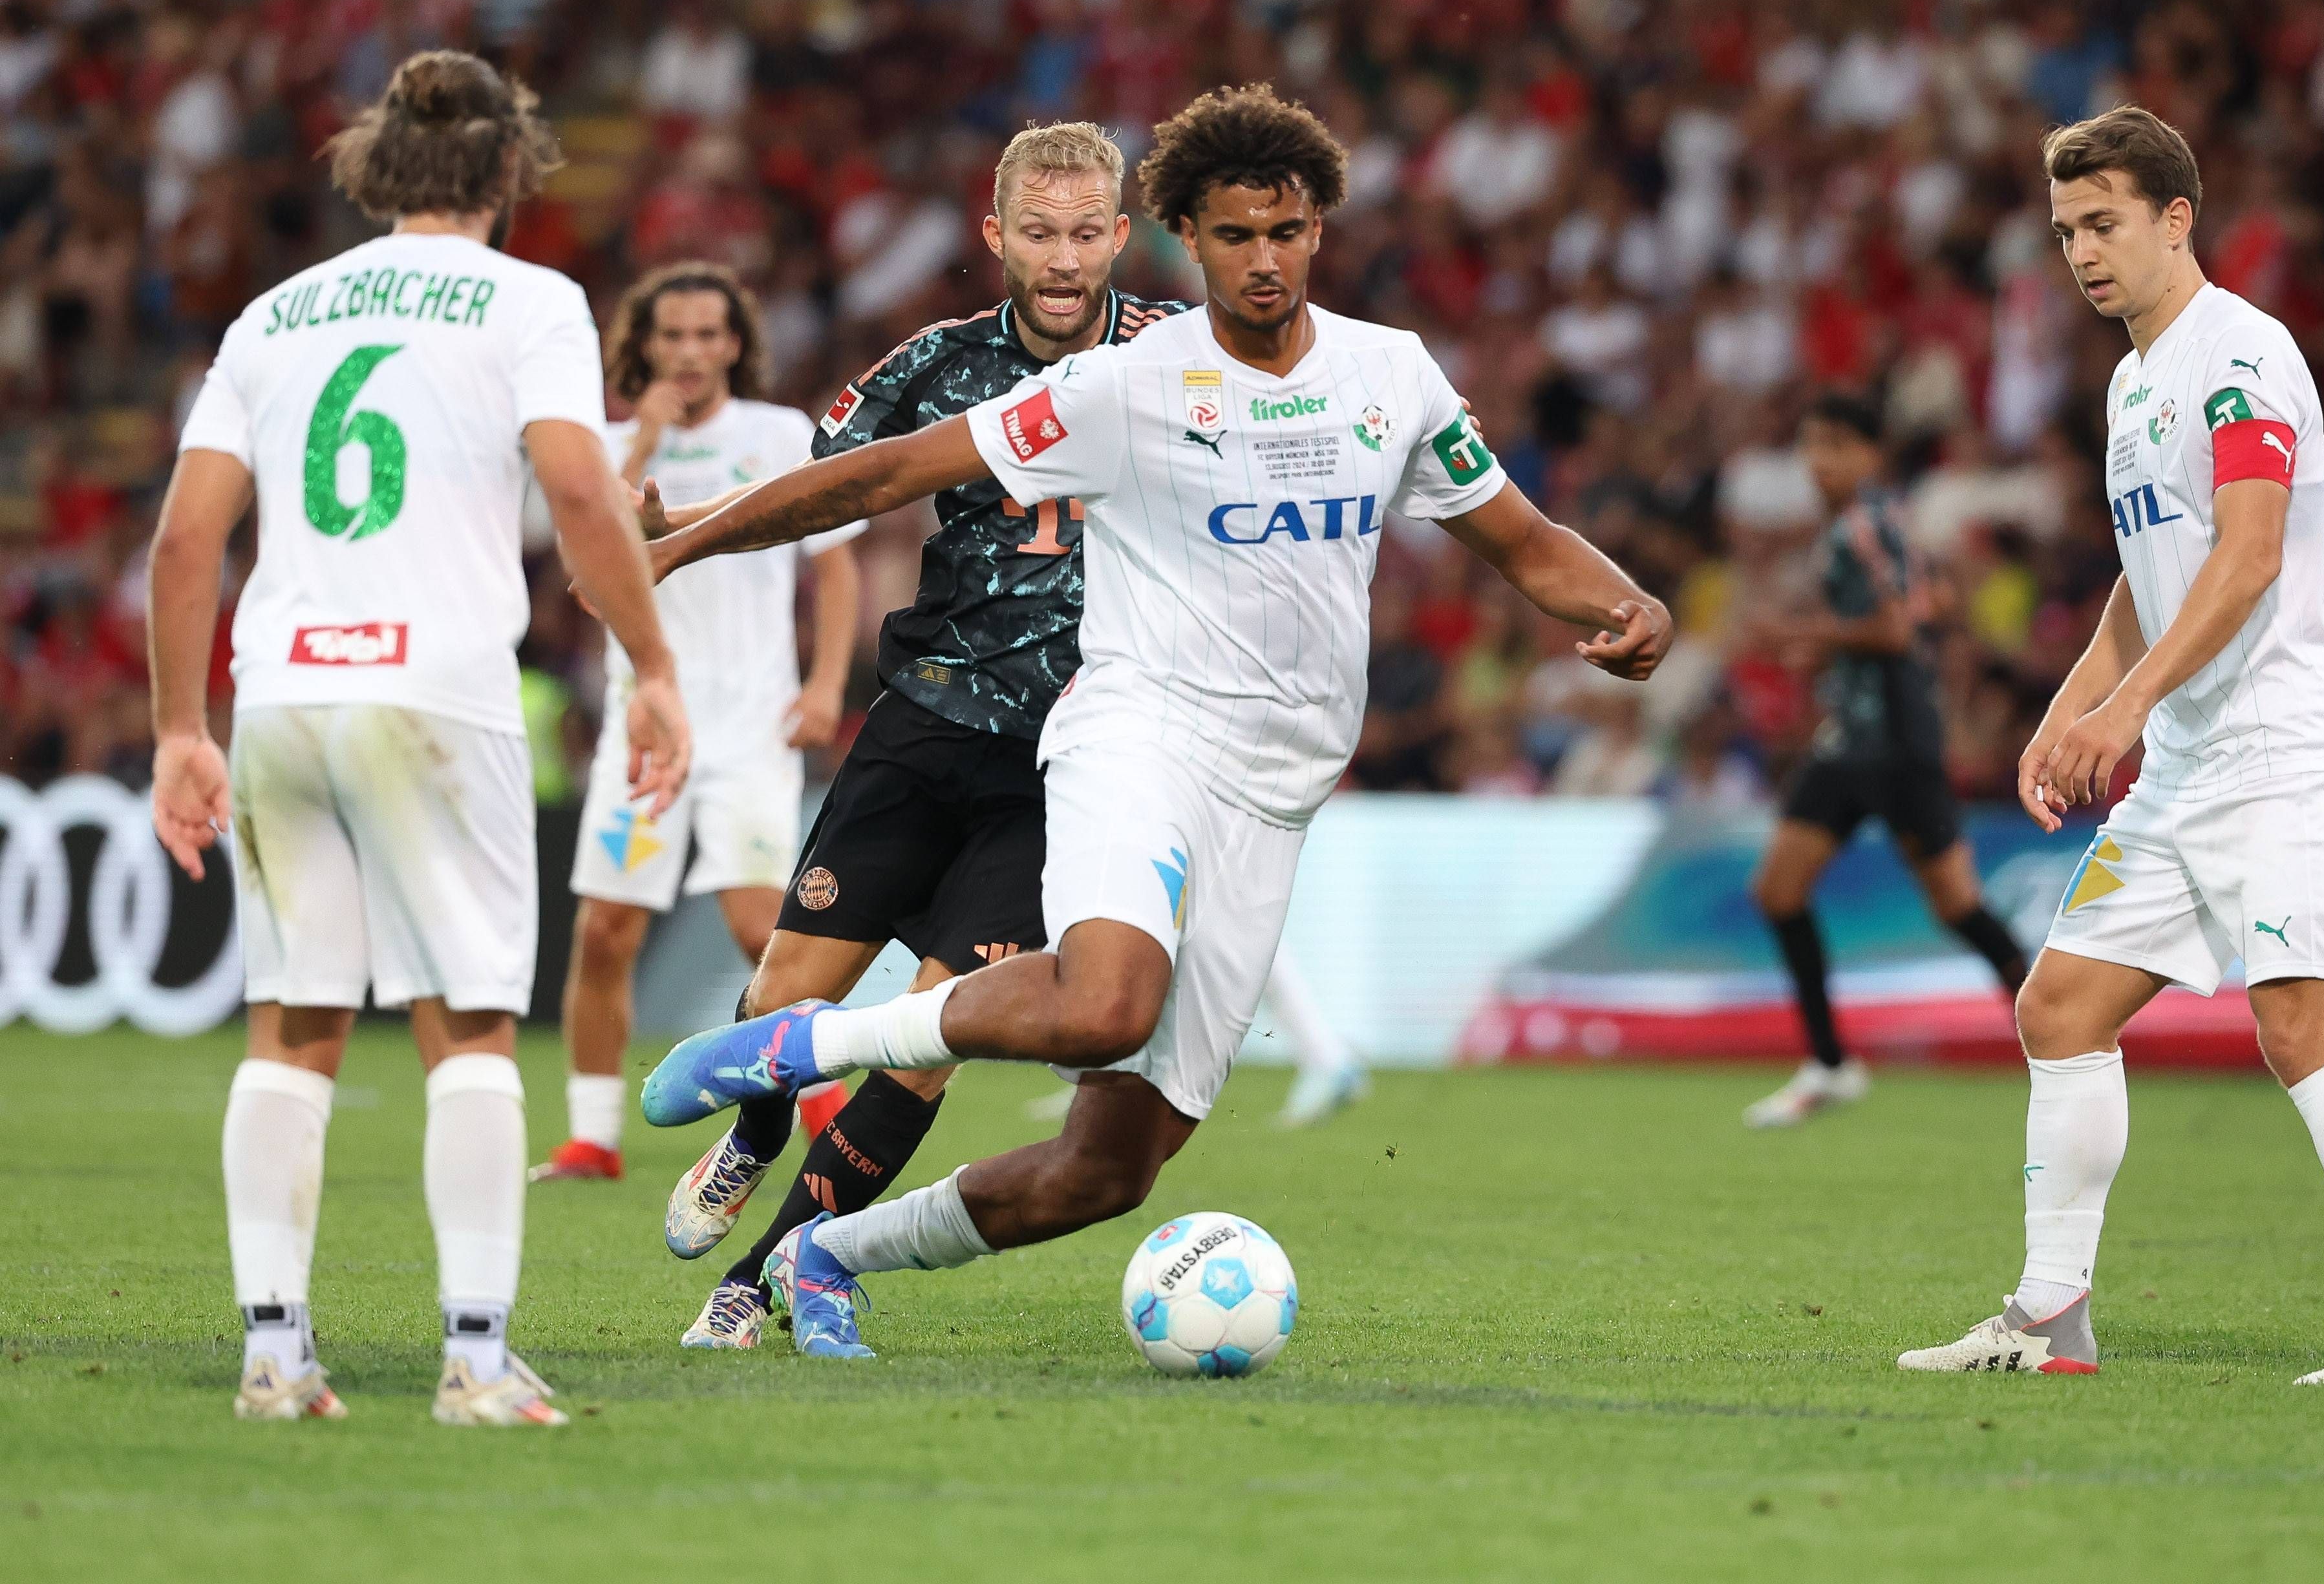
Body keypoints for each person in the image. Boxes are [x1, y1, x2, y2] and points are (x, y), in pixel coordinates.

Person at [635, 83, 1673, 1359]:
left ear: (1316, 231)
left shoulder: (1387, 376)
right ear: (1184, 235)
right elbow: (889, 471)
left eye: (1284, 231)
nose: (1261, 258)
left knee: (1106, 1172)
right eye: (1232, 235)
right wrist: (682, 544)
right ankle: (804, 1042)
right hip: (1131, 736)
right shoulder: (1125, 384)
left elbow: (1514, 534)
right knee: (1104, 1004)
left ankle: (824, 1251)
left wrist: (1624, 605)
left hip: (1275, 794)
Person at [146, 50, 690, 1424]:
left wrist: (175, 730)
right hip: (435, 697)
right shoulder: (532, 303)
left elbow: (185, 537)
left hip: (281, 694)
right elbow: (577, 484)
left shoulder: (273, 316)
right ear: (510, 171)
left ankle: (274, 1356)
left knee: (290, 1025)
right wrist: (656, 663)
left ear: (379, 169)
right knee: (469, 1030)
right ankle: (476, 1356)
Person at [1899, 106, 2324, 1384]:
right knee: (2057, 1006)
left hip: (2289, 742)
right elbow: (2146, 568)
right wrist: (2073, 700)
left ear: (2172, 219)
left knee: (2301, 1028)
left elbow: (2248, 553)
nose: (2080, 254)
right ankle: (2049, 1317)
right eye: (2061, 233)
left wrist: (2126, 710)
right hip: (2201, 753)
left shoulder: (2236, 356)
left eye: (2101, 225)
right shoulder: (2130, 379)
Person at [646, 122, 1193, 1350]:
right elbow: (821, 487)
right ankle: (752, 1130)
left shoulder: (1178, 355)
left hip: (1064, 760)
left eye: (1085, 234)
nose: (1063, 260)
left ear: (1120, 235)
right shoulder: (937, 364)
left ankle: (763, 1276)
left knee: (932, 1039)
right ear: (997, 237)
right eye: (1037, 234)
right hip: (923, 724)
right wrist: (678, 520)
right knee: (789, 993)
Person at [528, 262, 860, 1184]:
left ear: (734, 344)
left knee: (763, 928)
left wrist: (827, 681)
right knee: (605, 930)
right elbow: (579, 567)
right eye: (670, 335)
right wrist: (639, 446)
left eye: (707, 334)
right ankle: (593, 1137)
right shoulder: (600, 445)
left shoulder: (779, 432)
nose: (688, 352)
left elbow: (832, 563)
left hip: (751, 722)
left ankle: (824, 1102)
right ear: (642, 345)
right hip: (645, 726)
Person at [1740, 397, 2032, 1128]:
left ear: (1871, 454)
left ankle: (2058, 1039)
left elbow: (1899, 626)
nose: (1819, 460)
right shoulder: (1868, 523)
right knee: (1782, 890)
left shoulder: (1867, 522)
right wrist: (1829, 645)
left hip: (1892, 741)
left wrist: (1805, 630)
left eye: (1836, 444)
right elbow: (1922, 605)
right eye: (1811, 443)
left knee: (1955, 905)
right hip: (1861, 738)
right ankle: (1831, 1064)